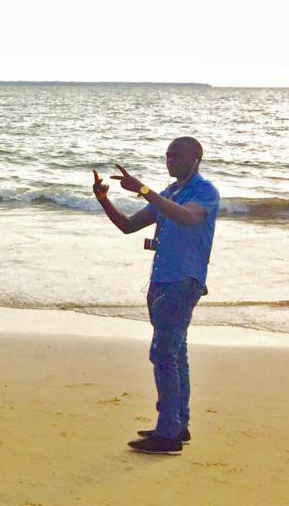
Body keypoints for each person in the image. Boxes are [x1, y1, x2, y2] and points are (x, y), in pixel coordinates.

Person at [93, 137, 220, 455]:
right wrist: (103, 200)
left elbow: (188, 217)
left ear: (196, 158)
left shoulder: (204, 191)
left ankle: (168, 433)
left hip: (183, 281)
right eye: (167, 155)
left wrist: (143, 190)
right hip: (162, 281)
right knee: (175, 353)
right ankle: (178, 424)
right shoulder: (170, 193)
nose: (170, 160)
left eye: (176, 155)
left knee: (163, 353)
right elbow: (128, 225)